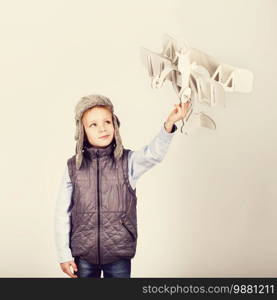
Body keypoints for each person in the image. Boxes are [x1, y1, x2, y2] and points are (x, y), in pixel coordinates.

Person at [55, 94, 191, 278]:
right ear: (82, 131)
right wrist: (64, 254)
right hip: (83, 256)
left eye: (107, 122)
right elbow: (62, 212)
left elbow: (153, 155)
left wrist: (169, 124)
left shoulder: (127, 162)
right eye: (93, 124)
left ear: (115, 125)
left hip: (119, 254)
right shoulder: (74, 167)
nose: (102, 128)